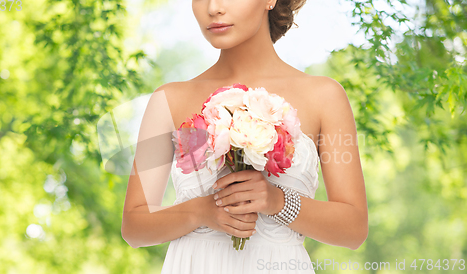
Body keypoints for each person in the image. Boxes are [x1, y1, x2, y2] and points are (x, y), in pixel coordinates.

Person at [121, 0, 369, 273]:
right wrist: (200, 212)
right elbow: (134, 227)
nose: (213, 7)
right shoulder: (167, 100)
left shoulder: (324, 97)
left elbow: (354, 228)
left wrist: (277, 201)